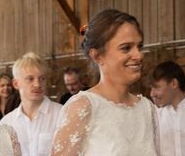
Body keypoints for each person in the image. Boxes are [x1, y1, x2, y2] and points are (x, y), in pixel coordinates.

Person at [51, 9, 160, 155]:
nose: (138, 55)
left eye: (139, 46)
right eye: (126, 48)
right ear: (98, 56)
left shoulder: (147, 109)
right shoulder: (83, 106)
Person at [0, 52, 62, 156]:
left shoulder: (62, 114)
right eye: (30, 79)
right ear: (16, 83)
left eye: (42, 78)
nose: (37, 84)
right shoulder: (6, 123)